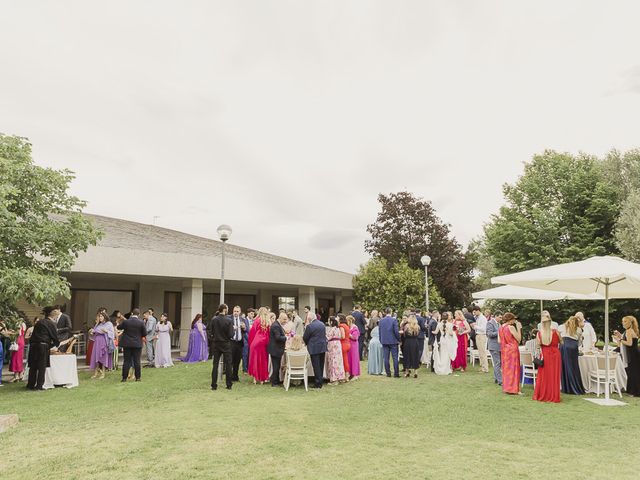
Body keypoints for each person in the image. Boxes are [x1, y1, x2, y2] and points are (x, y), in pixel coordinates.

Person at [26, 307, 60, 390]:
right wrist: (55, 344)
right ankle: (39, 386)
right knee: (42, 366)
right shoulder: (51, 324)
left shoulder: (39, 322)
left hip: (34, 345)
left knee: (33, 366)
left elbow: (34, 335)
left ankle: (30, 384)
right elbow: (55, 337)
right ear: (53, 316)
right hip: (42, 346)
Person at [533, 313, 562, 403]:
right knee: (554, 375)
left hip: (545, 354)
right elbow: (561, 342)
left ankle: (543, 394)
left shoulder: (539, 333)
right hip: (555, 354)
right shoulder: (556, 332)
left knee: (543, 375)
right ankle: (553, 395)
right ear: (550, 322)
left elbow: (537, 346)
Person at [613, 315, 640, 397]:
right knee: (633, 372)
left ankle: (634, 392)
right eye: (622, 321)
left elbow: (629, 343)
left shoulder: (629, 331)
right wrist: (620, 336)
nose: (623, 323)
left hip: (633, 354)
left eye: (625, 321)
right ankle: (633, 391)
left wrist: (620, 339)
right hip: (633, 353)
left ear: (630, 323)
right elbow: (626, 340)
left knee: (633, 373)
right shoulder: (628, 331)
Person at [118, 308, 146, 382]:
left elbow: (118, 327)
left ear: (132, 314)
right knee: (137, 361)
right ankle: (138, 378)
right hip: (137, 344)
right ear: (139, 314)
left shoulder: (126, 322)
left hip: (127, 344)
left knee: (126, 361)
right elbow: (144, 333)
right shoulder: (141, 322)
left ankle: (124, 378)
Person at [210, 304, 234, 391]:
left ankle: (213, 385)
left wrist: (214, 338)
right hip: (226, 343)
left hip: (216, 343)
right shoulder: (229, 320)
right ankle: (229, 384)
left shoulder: (214, 319)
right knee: (228, 364)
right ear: (224, 309)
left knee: (215, 364)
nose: (227, 310)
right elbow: (231, 334)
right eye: (227, 308)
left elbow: (211, 332)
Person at [559, 315, 585, 395]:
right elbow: (579, 342)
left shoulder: (561, 327)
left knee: (564, 367)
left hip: (564, 346)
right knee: (574, 367)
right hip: (573, 347)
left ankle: (566, 388)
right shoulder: (579, 329)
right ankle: (575, 387)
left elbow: (558, 338)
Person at [303, 311, 328, 388]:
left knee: (316, 366)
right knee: (320, 365)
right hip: (322, 347)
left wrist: (307, 343)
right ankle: (320, 380)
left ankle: (318, 383)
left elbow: (305, 337)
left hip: (314, 347)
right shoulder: (322, 324)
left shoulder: (309, 326)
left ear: (309, 318)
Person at [499, 312, 522, 395]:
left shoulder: (501, 327)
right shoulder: (511, 327)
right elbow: (519, 339)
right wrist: (519, 328)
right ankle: (515, 389)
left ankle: (507, 388)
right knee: (514, 369)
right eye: (514, 319)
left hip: (505, 350)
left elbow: (499, 340)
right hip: (512, 350)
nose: (514, 320)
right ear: (510, 320)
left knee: (507, 369)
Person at [248, 307, 270, 384]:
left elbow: (252, 333)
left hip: (256, 342)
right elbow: (269, 334)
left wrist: (250, 343)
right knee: (263, 360)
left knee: (255, 360)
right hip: (264, 343)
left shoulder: (257, 321)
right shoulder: (267, 322)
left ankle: (255, 378)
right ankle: (262, 379)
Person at [89, 312, 114, 379]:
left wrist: (106, 331)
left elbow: (112, 334)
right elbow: (94, 333)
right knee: (96, 357)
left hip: (104, 342)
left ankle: (103, 373)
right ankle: (96, 373)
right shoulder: (98, 324)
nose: (100, 318)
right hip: (97, 342)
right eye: (99, 316)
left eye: (101, 316)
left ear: (105, 317)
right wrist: (91, 332)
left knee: (103, 357)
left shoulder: (109, 324)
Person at [379, 307, 401, 378]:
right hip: (393, 341)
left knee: (386, 358)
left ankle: (388, 373)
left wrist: (381, 340)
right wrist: (399, 339)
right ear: (391, 312)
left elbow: (380, 332)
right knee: (395, 358)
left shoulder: (381, 321)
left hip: (384, 341)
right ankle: (396, 373)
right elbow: (396, 331)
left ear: (385, 312)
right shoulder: (393, 320)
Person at [268, 312, 288, 387]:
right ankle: (274, 382)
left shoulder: (277, 324)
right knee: (276, 366)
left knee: (277, 366)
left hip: (276, 349)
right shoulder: (276, 325)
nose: (286, 321)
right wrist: (286, 338)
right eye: (284, 319)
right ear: (280, 318)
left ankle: (276, 380)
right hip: (275, 349)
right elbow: (278, 337)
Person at [325, 317, 346, 383]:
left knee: (333, 361)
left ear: (331, 322)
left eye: (329, 321)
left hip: (333, 345)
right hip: (338, 344)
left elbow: (328, 337)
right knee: (338, 361)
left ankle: (334, 379)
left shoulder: (332, 329)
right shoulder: (337, 328)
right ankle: (340, 377)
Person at [230, 306, 246, 381]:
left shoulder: (242, 319)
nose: (235, 313)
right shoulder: (229, 318)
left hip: (239, 342)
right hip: (232, 342)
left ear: (240, 312)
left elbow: (246, 330)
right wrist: (232, 328)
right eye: (234, 311)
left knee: (237, 360)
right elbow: (225, 328)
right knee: (230, 360)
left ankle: (235, 376)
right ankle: (229, 376)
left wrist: (244, 327)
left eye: (237, 311)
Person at [486, 311, 502, 385]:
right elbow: (489, 334)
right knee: (497, 362)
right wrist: (499, 332)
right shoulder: (490, 323)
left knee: (498, 363)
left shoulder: (499, 324)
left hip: (499, 346)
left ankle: (496, 378)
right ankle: (500, 380)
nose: (501, 319)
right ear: (495, 316)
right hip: (493, 346)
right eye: (500, 317)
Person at [472, 306, 489, 373]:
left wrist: (475, 326)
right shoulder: (478, 318)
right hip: (478, 335)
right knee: (480, 352)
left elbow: (483, 328)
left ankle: (485, 368)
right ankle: (482, 366)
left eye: (475, 311)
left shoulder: (483, 318)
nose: (474, 313)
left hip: (482, 336)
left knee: (483, 352)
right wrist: (474, 326)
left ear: (478, 310)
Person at [9, 318, 27, 382]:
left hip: (18, 341)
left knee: (15, 358)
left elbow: (18, 333)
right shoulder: (23, 324)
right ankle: (20, 374)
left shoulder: (18, 324)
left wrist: (10, 333)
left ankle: (16, 376)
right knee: (19, 358)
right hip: (21, 341)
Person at [347, 315, 361, 380]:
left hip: (354, 345)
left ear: (350, 321)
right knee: (349, 359)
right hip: (349, 345)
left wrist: (348, 335)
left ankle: (355, 374)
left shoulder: (355, 327)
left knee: (354, 359)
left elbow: (355, 337)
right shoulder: (348, 327)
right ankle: (350, 373)